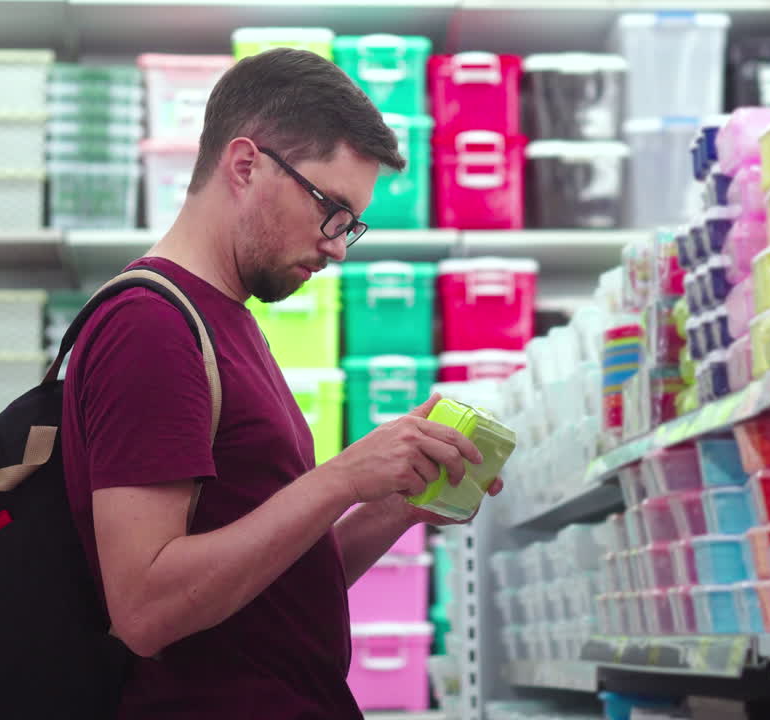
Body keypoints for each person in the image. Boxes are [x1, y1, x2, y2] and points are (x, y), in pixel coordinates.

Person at [61, 48, 500, 719]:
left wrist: (402, 501)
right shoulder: (150, 327)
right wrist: (343, 478)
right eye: (332, 209)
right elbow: (145, 608)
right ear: (245, 165)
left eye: (351, 224)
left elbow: (284, 586)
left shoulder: (227, 320)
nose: (338, 246)